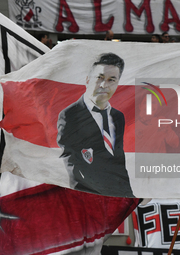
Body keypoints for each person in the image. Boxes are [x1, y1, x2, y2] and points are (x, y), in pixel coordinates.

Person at [57, 53, 133, 197]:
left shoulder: (118, 117)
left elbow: (118, 161)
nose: (104, 85)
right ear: (87, 80)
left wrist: (130, 195)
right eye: (100, 78)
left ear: (117, 84)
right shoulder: (69, 115)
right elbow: (69, 163)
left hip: (117, 196)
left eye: (112, 80)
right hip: (88, 197)